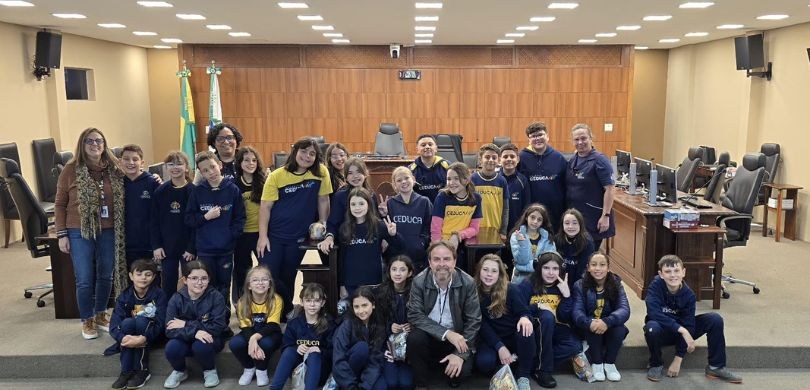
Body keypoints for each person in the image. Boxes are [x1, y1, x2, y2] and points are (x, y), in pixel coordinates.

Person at [54, 127, 126, 339]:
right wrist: (62, 234)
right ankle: (87, 319)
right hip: (79, 230)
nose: (95, 144)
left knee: (106, 274)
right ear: (82, 144)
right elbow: (59, 204)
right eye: (89, 141)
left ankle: (101, 313)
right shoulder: (70, 170)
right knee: (84, 278)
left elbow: (134, 178)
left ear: (104, 144)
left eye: (99, 140)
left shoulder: (114, 168)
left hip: (109, 229)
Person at [257, 137, 332, 316]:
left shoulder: (321, 172)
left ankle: (285, 312)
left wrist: (322, 224)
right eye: (303, 151)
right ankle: (265, 313)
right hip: (274, 236)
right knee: (267, 276)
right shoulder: (277, 175)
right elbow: (265, 207)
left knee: (289, 275)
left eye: (312, 153)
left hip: (298, 238)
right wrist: (262, 236)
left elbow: (323, 200)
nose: (307, 156)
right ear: (295, 152)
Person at [644, 255, 742, 384]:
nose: (673, 275)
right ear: (661, 274)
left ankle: (716, 367)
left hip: (682, 333)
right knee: (652, 327)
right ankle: (655, 363)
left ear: (683, 272)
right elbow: (654, 313)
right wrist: (682, 330)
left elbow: (689, 325)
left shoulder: (689, 295)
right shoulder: (655, 285)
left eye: (676, 271)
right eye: (668, 272)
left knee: (715, 319)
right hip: (662, 332)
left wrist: (678, 358)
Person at [407, 241, 481, 389]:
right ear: (430, 263)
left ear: (454, 261)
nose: (442, 264)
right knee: (415, 338)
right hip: (429, 336)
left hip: (457, 339)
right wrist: (446, 333)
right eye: (436, 259)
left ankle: (448, 365)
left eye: (446, 259)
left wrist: (459, 355)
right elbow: (415, 315)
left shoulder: (468, 283)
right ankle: (421, 384)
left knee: (461, 374)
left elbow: (474, 321)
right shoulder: (419, 281)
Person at [185, 151, 246, 313]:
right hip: (205, 250)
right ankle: (208, 318)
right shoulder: (197, 191)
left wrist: (230, 235)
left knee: (224, 285)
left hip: (226, 250)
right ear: (201, 173)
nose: (210, 172)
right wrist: (206, 217)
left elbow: (240, 218)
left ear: (219, 165)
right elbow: (189, 219)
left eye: (212, 167)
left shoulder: (232, 190)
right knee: (206, 284)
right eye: (205, 170)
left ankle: (223, 319)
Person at [517, 251, 582, 389]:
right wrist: (537, 306)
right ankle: (543, 371)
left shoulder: (562, 285)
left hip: (556, 328)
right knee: (546, 317)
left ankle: (533, 363)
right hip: (534, 329)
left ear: (561, 270)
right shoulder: (527, 284)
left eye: (555, 268)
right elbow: (518, 310)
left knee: (575, 346)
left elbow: (564, 317)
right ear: (539, 268)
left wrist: (566, 295)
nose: (551, 273)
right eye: (546, 268)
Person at [164, 261, 229, 389]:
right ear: (185, 280)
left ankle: (209, 370)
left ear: (208, 280)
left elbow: (217, 327)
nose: (199, 282)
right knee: (172, 347)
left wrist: (185, 324)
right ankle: (180, 371)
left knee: (201, 346)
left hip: (211, 339)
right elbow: (169, 329)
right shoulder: (176, 298)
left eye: (204, 278)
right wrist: (195, 332)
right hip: (185, 339)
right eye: (194, 278)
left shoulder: (216, 297)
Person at [474, 254, 535, 390]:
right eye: (485, 269)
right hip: (491, 338)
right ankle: (505, 366)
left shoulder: (511, 289)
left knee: (526, 329)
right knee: (484, 363)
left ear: (500, 274)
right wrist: (499, 346)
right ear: (479, 270)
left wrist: (525, 317)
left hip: (514, 336)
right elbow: (481, 325)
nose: (489, 274)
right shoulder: (473, 291)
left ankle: (523, 375)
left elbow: (525, 311)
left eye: (494, 271)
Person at [327, 187, 399, 299]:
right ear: (349, 207)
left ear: (368, 205)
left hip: (374, 282)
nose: (357, 208)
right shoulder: (344, 228)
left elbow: (398, 248)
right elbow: (342, 259)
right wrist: (342, 284)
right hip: (351, 284)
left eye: (361, 203)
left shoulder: (379, 226)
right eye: (353, 204)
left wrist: (393, 235)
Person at [109, 259, 168, 390]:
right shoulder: (124, 296)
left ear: (153, 277)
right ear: (131, 276)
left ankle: (142, 370)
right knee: (127, 322)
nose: (143, 278)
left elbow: (161, 322)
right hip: (129, 335)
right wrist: (122, 338)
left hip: (153, 336)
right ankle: (126, 371)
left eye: (148, 274)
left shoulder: (159, 295)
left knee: (141, 320)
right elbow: (114, 324)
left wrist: (144, 338)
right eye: (139, 274)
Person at [571, 253, 630, 382]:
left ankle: (610, 363)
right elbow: (577, 311)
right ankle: (597, 363)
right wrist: (589, 323)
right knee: (593, 326)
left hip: (609, 325)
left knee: (619, 329)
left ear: (608, 268)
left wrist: (607, 321)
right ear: (588, 267)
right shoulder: (579, 285)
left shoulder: (616, 284)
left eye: (602, 265)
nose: (598, 268)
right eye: (594, 265)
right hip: (589, 326)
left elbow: (624, 309)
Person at [270, 283, 335, 390]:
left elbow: (334, 350)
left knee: (314, 354)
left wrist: (320, 350)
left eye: (316, 301)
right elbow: (285, 347)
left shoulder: (329, 324)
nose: (312, 305)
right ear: (301, 302)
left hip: (319, 371)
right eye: (308, 300)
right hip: (297, 372)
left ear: (323, 303)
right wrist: (297, 347)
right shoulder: (294, 323)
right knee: (289, 351)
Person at [151, 151, 196, 297]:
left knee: (191, 282)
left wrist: (192, 248)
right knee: (168, 283)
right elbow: (154, 221)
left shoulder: (194, 192)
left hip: (188, 248)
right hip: (167, 247)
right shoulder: (160, 191)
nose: (174, 167)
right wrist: (156, 245)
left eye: (179, 164)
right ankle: (169, 310)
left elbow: (197, 223)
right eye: (170, 164)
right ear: (166, 167)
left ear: (186, 168)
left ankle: (189, 309)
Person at [229, 265, 283, 386]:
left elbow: (272, 325)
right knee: (235, 343)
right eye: (255, 280)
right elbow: (245, 327)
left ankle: (261, 370)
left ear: (269, 284)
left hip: (270, 333)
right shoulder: (242, 302)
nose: (260, 283)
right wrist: (252, 339)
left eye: (264, 279)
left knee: (265, 343)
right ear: (249, 285)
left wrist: (254, 338)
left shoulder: (276, 299)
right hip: (250, 331)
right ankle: (249, 368)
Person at [566, 123, 614, 251]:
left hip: (593, 217)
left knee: (589, 253)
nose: (580, 142)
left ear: (591, 138)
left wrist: (606, 216)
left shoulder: (600, 160)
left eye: (583, 138)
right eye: (576, 139)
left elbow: (609, 189)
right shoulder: (573, 159)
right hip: (576, 216)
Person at [318, 157, 378, 254]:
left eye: (358, 172)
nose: (355, 176)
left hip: (369, 243)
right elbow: (333, 223)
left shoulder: (371, 195)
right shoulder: (339, 196)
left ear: (365, 173)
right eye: (350, 173)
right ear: (346, 177)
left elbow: (376, 221)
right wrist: (329, 237)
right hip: (348, 243)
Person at [378, 167, 432, 273]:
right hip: (396, 256)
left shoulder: (424, 202)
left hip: (418, 256)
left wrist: (422, 243)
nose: (403, 182)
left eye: (406, 178)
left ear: (413, 179)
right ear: (394, 184)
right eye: (399, 180)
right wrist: (384, 215)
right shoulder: (390, 203)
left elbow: (429, 226)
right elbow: (387, 229)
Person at [332, 286, 388, 390]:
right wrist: (352, 387)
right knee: (362, 348)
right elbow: (338, 359)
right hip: (349, 370)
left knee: (382, 387)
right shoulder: (347, 324)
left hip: (368, 369)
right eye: (356, 307)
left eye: (364, 305)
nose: (361, 310)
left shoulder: (379, 325)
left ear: (373, 305)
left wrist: (364, 387)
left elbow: (375, 359)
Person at [374, 255, 415, 390]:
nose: (397, 273)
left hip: (408, 345)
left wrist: (412, 325)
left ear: (409, 273)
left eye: (402, 270)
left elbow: (424, 317)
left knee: (406, 384)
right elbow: (376, 321)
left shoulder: (416, 292)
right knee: (391, 383)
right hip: (387, 344)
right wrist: (389, 326)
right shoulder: (380, 292)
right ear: (389, 271)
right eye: (394, 269)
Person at [232, 146, 267, 304]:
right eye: (246, 160)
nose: (250, 163)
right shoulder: (233, 184)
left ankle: (264, 302)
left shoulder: (264, 182)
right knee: (243, 271)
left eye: (254, 160)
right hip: (242, 235)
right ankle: (243, 303)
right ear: (239, 162)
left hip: (261, 234)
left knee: (265, 269)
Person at [517, 122, 568, 231]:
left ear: (547, 136)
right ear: (529, 140)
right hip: (531, 214)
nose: (537, 138)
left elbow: (566, 185)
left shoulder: (559, 158)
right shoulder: (521, 158)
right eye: (533, 136)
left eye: (540, 135)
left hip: (555, 212)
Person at [120, 144, 161, 268]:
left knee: (149, 276)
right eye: (126, 159)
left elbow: (160, 214)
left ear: (142, 162)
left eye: (135, 159)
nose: (131, 162)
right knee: (130, 277)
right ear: (120, 161)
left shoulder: (153, 182)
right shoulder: (117, 183)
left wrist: (158, 243)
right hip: (125, 245)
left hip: (148, 244)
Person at [430, 162, 483, 251]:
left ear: (466, 180)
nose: (451, 183)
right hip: (442, 243)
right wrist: (437, 246)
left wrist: (458, 235)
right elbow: (435, 228)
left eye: (456, 178)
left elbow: (474, 228)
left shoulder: (476, 198)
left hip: (463, 243)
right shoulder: (442, 197)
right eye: (449, 179)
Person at [471, 143, 510, 241]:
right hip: (475, 230)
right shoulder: (472, 179)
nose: (491, 160)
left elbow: (505, 209)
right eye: (487, 157)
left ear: (498, 160)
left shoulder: (502, 181)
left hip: (496, 230)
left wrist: (503, 231)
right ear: (480, 159)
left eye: (494, 157)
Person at [509, 204, 556, 284]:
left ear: (542, 222)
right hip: (520, 280)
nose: (535, 222)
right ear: (526, 217)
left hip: (541, 280)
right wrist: (522, 243)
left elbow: (548, 264)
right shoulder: (516, 236)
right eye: (532, 217)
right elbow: (522, 262)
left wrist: (524, 266)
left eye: (539, 219)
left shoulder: (548, 239)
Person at [554, 208, 595, 290]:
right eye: (567, 223)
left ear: (580, 224)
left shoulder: (587, 243)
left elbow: (583, 271)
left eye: (575, 223)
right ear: (562, 225)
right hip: (558, 281)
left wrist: (573, 289)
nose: (570, 226)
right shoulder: (556, 239)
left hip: (578, 283)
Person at [499, 143, 530, 233]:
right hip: (497, 227)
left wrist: (520, 226)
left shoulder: (523, 180)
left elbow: (526, 206)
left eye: (512, 156)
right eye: (505, 157)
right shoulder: (495, 179)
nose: (509, 159)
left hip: (516, 229)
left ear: (518, 159)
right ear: (499, 160)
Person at [409, 134, 449, 202]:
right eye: (423, 145)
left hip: (443, 205)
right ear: (417, 149)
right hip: (421, 206)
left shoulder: (447, 166)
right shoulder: (411, 170)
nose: (427, 147)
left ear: (436, 148)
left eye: (430, 144)